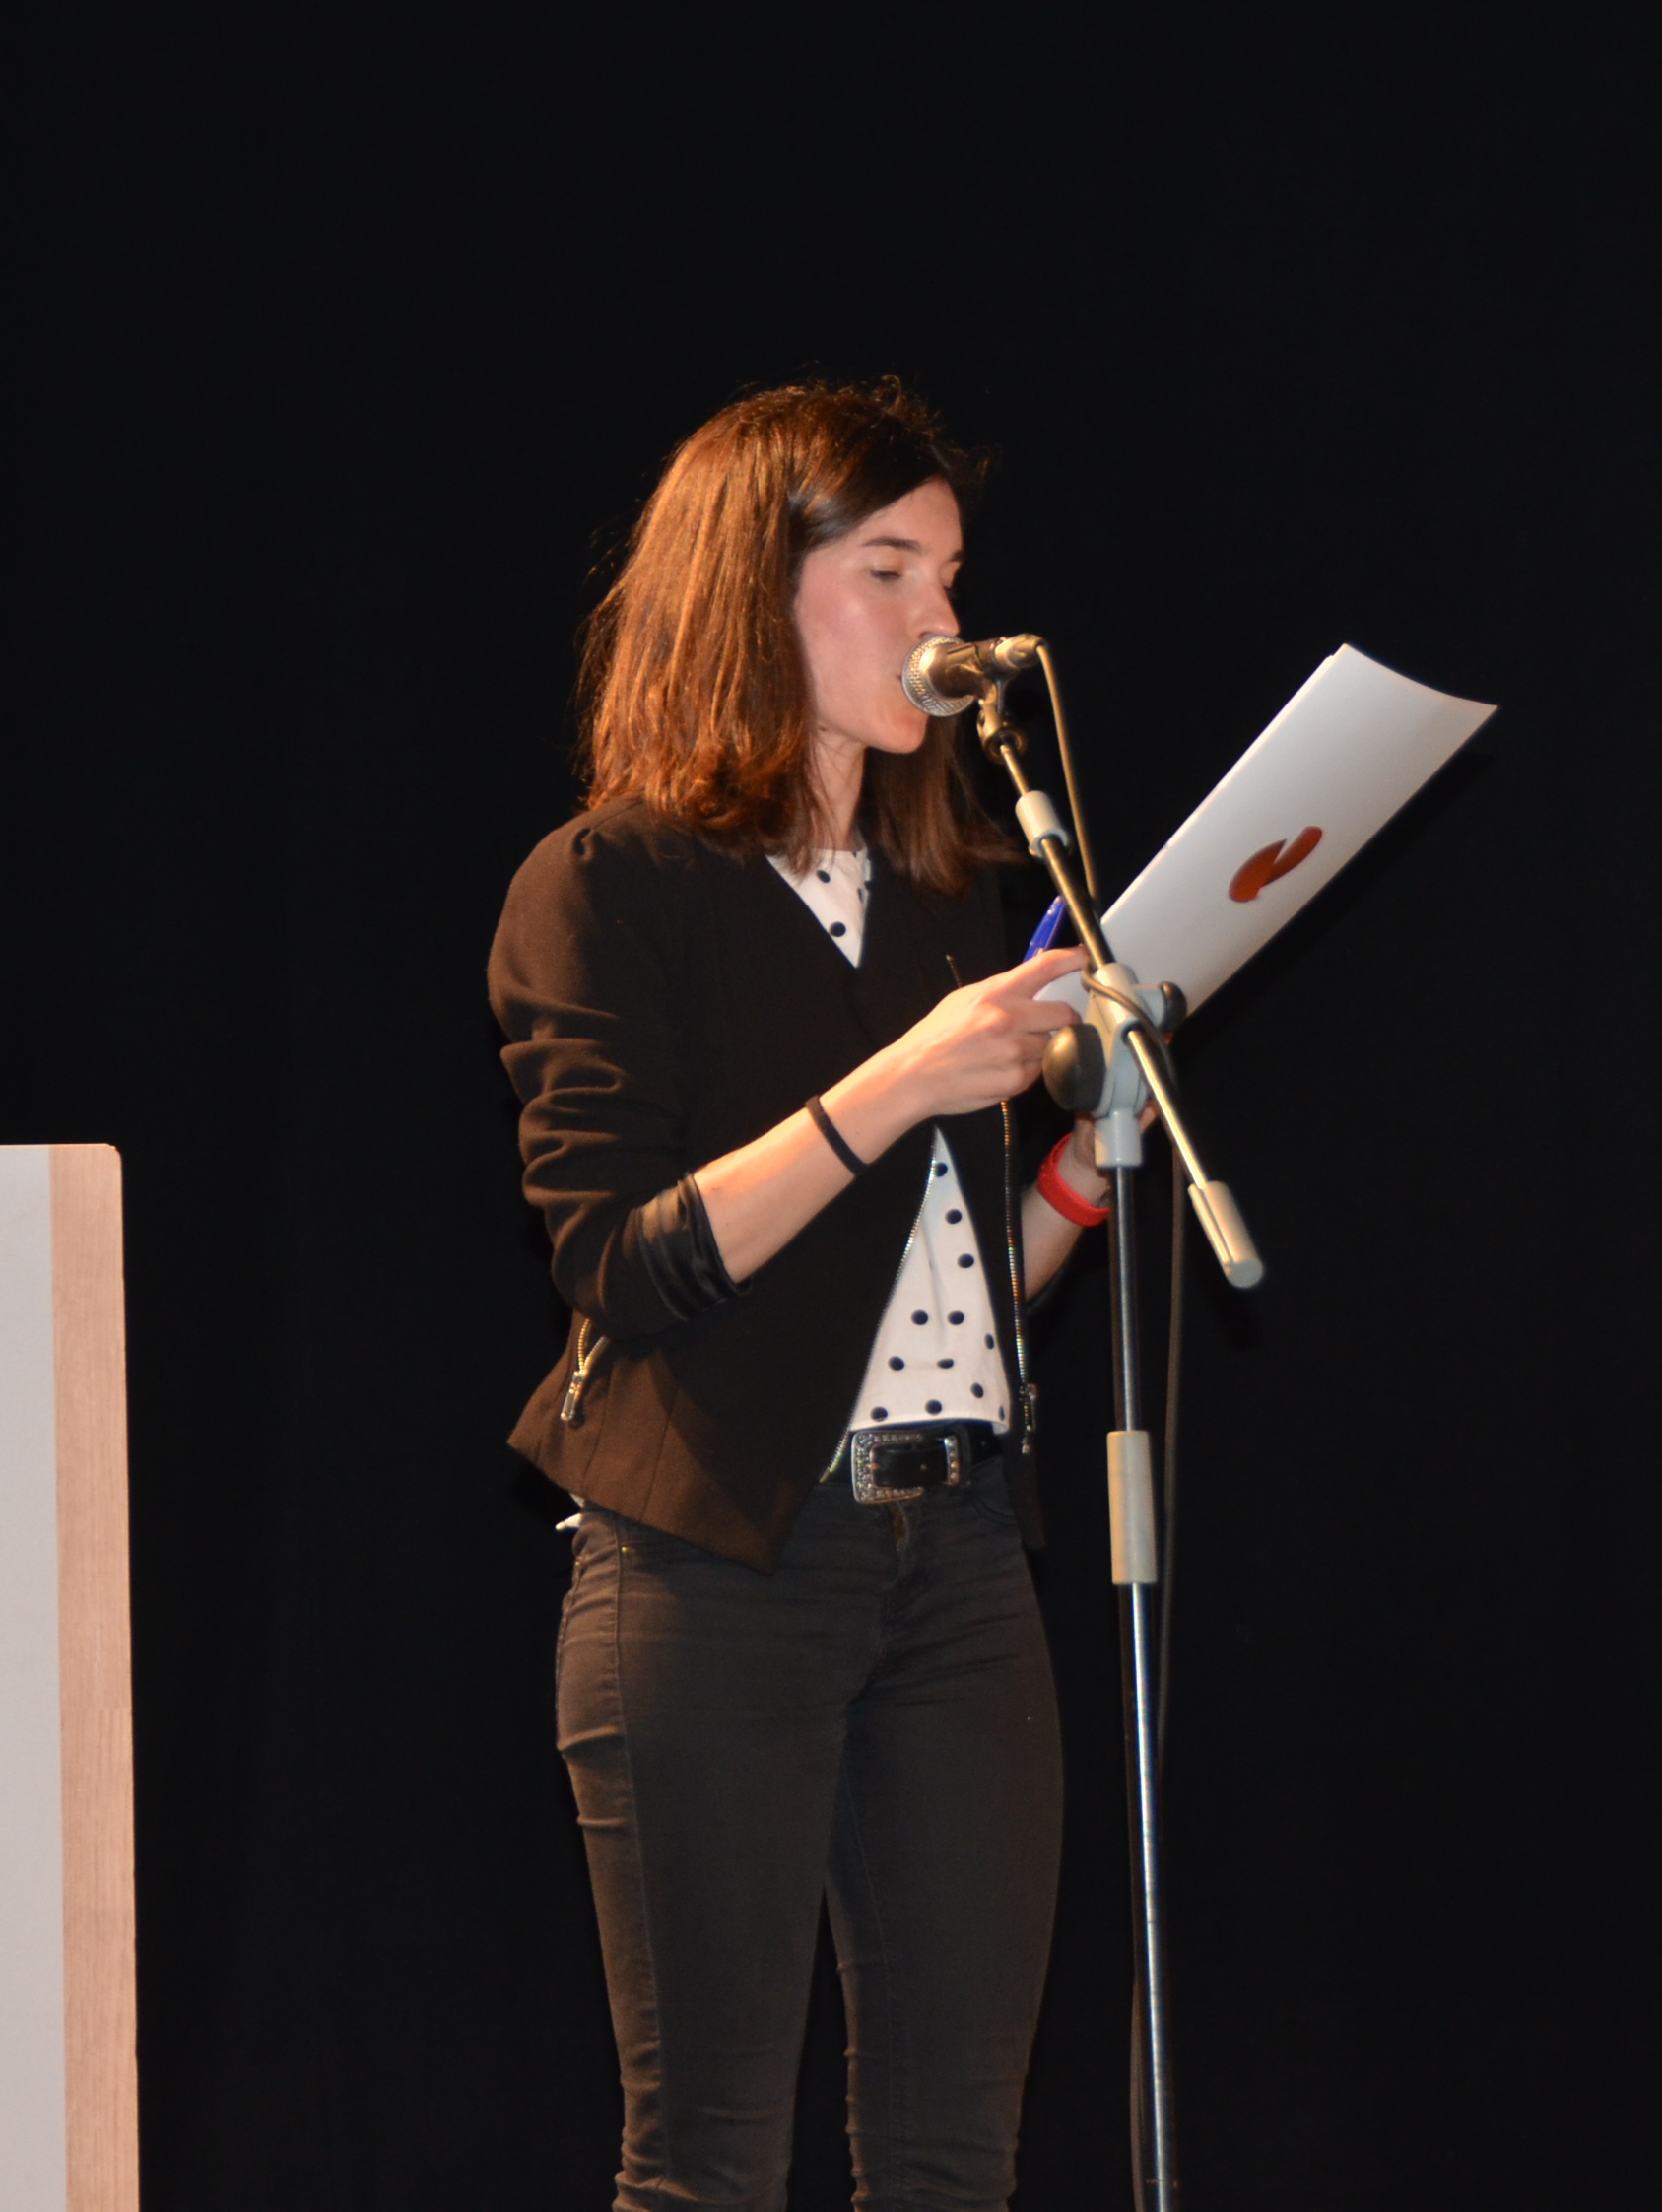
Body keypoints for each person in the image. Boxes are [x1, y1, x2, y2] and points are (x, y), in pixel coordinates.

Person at [489, 380, 1123, 2211]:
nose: (946, 620)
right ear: (754, 593)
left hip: (964, 1555)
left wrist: (1083, 1171)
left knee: (954, 2151)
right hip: (717, 1571)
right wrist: (900, 1083)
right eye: (891, 568)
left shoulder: (948, 892)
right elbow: (619, 1261)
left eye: (953, 573)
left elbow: (950, 1291)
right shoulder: (611, 883)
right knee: (708, 2158)